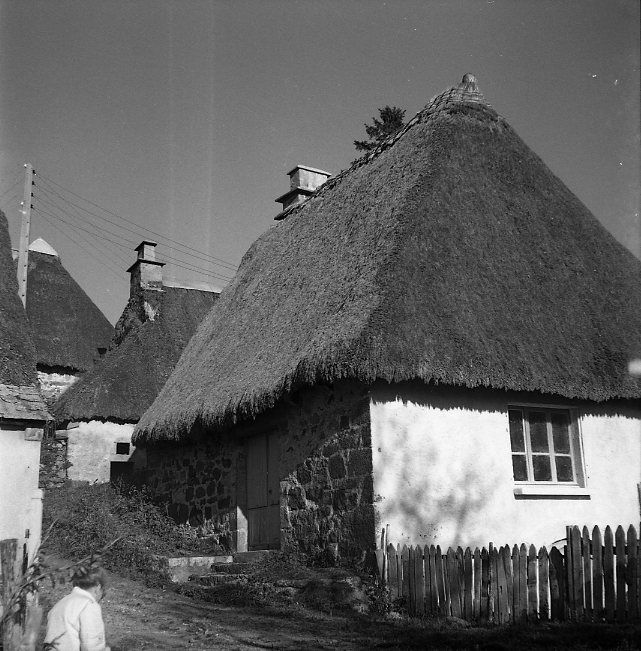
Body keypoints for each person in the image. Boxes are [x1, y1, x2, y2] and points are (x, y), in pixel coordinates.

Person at [44, 566, 111, 651]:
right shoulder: (89, 605)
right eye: (102, 594)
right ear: (98, 587)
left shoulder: (61, 603)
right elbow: (92, 645)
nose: (99, 600)